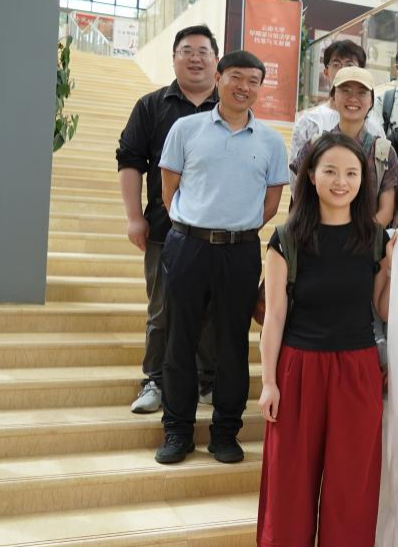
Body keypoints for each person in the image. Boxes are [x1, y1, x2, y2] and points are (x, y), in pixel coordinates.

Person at [255, 133, 394, 547]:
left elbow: (382, 308)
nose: (341, 181)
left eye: (351, 173)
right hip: (298, 368)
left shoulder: (376, 238)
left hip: (357, 371)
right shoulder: (287, 238)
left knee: (351, 491)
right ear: (311, 176)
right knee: (288, 489)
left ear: (363, 181)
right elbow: (275, 316)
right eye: (330, 171)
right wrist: (269, 382)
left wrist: (393, 266)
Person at [155, 49, 288, 465]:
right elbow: (168, 189)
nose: (243, 87)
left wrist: (236, 227)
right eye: (236, 77)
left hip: (240, 251)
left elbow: (271, 203)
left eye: (253, 81)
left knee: (233, 344)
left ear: (260, 87)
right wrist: (196, 224)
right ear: (218, 78)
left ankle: (225, 433)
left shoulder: (271, 141)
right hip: (187, 245)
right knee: (180, 341)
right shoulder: (186, 129)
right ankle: (177, 431)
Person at [117, 24, 220, 414]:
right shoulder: (151, 106)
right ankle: (155, 381)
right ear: (174, 58)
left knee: (211, 308)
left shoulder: (230, 109)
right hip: (165, 228)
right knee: (162, 310)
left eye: (203, 52)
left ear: (216, 60)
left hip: (217, 233)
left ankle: (207, 380)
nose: (195, 58)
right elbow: (130, 160)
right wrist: (134, 217)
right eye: (187, 51)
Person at [290, 40, 385, 177]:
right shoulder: (309, 122)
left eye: (349, 65)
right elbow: (297, 178)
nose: (343, 70)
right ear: (326, 72)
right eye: (336, 64)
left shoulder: (374, 127)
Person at [322, 67, 398, 227]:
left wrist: (361, 236)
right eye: (345, 91)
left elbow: (387, 210)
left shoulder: (383, 152)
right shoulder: (316, 147)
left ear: (371, 101)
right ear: (333, 97)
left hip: (367, 239)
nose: (353, 98)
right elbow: (302, 200)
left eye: (362, 93)